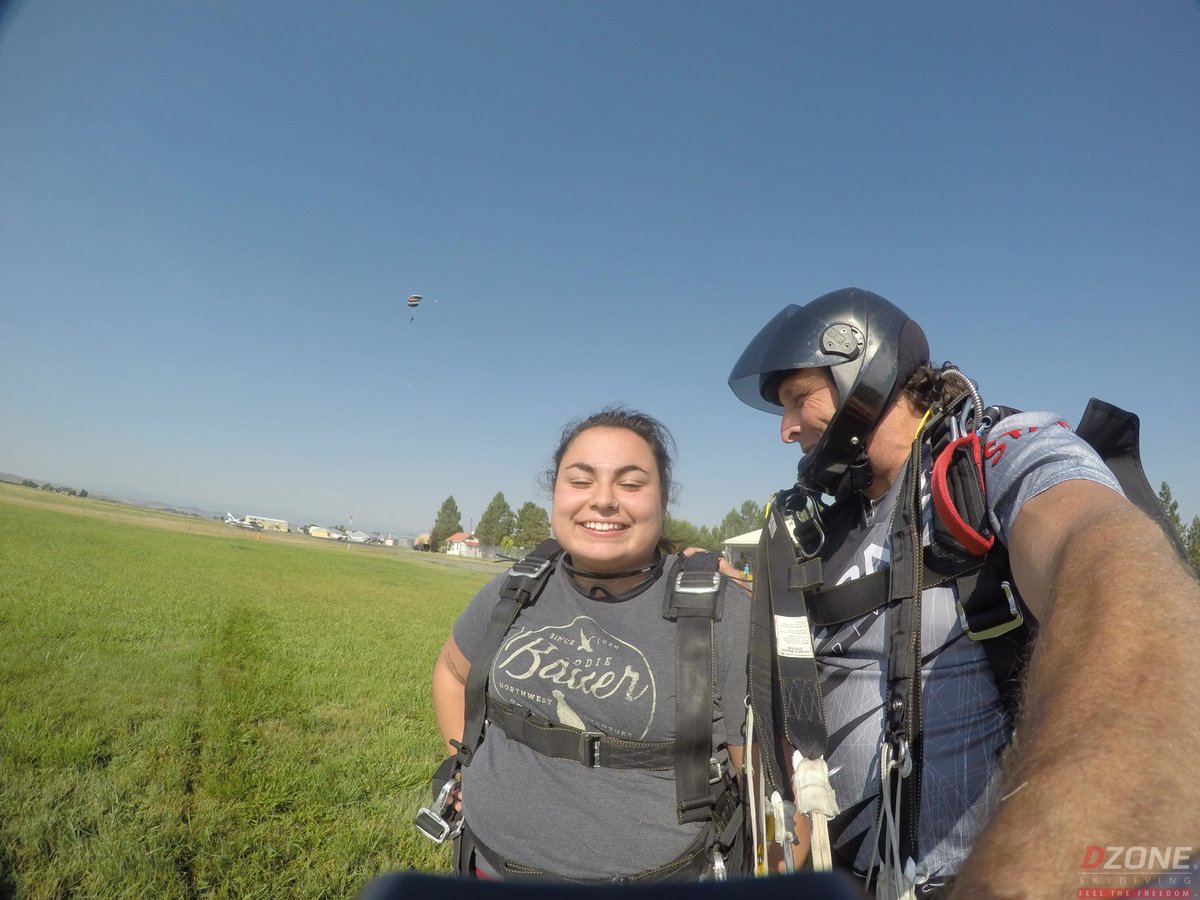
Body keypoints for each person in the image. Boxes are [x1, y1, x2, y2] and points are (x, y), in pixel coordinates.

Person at [727, 288, 1200, 898]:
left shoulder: (994, 456)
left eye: (799, 399)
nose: (787, 430)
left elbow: (1104, 557)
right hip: (851, 872)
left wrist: (1043, 863)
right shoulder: (831, 527)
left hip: (975, 875)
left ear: (861, 373)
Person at [430, 407, 753, 882]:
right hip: (486, 867)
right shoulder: (518, 588)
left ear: (663, 499)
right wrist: (466, 764)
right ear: (555, 494)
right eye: (580, 481)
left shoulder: (720, 614)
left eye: (630, 483)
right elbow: (453, 671)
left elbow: (777, 805)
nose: (602, 501)